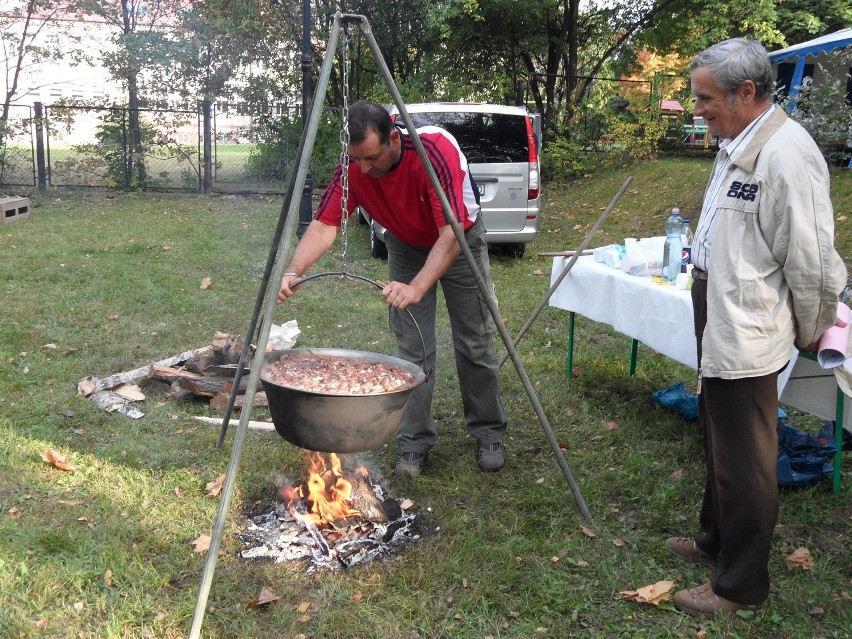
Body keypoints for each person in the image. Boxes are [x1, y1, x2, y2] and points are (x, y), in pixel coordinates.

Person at [665, 38, 848, 617]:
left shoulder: (787, 155)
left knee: (746, 455)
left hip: (750, 324)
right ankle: (714, 540)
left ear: (747, 92)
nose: (697, 108)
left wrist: (808, 330)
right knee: (719, 432)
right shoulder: (736, 140)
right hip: (717, 306)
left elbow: (814, 261)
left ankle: (738, 586)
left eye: (705, 98)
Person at [277, 100, 508, 478]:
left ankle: (488, 432)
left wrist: (417, 287)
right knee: (412, 349)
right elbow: (324, 225)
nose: (363, 168)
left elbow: (451, 231)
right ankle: (414, 443)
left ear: (393, 139)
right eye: (357, 159)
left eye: (371, 157)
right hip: (404, 243)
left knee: (475, 338)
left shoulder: (433, 149)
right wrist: (293, 271)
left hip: (459, 241)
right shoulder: (353, 163)